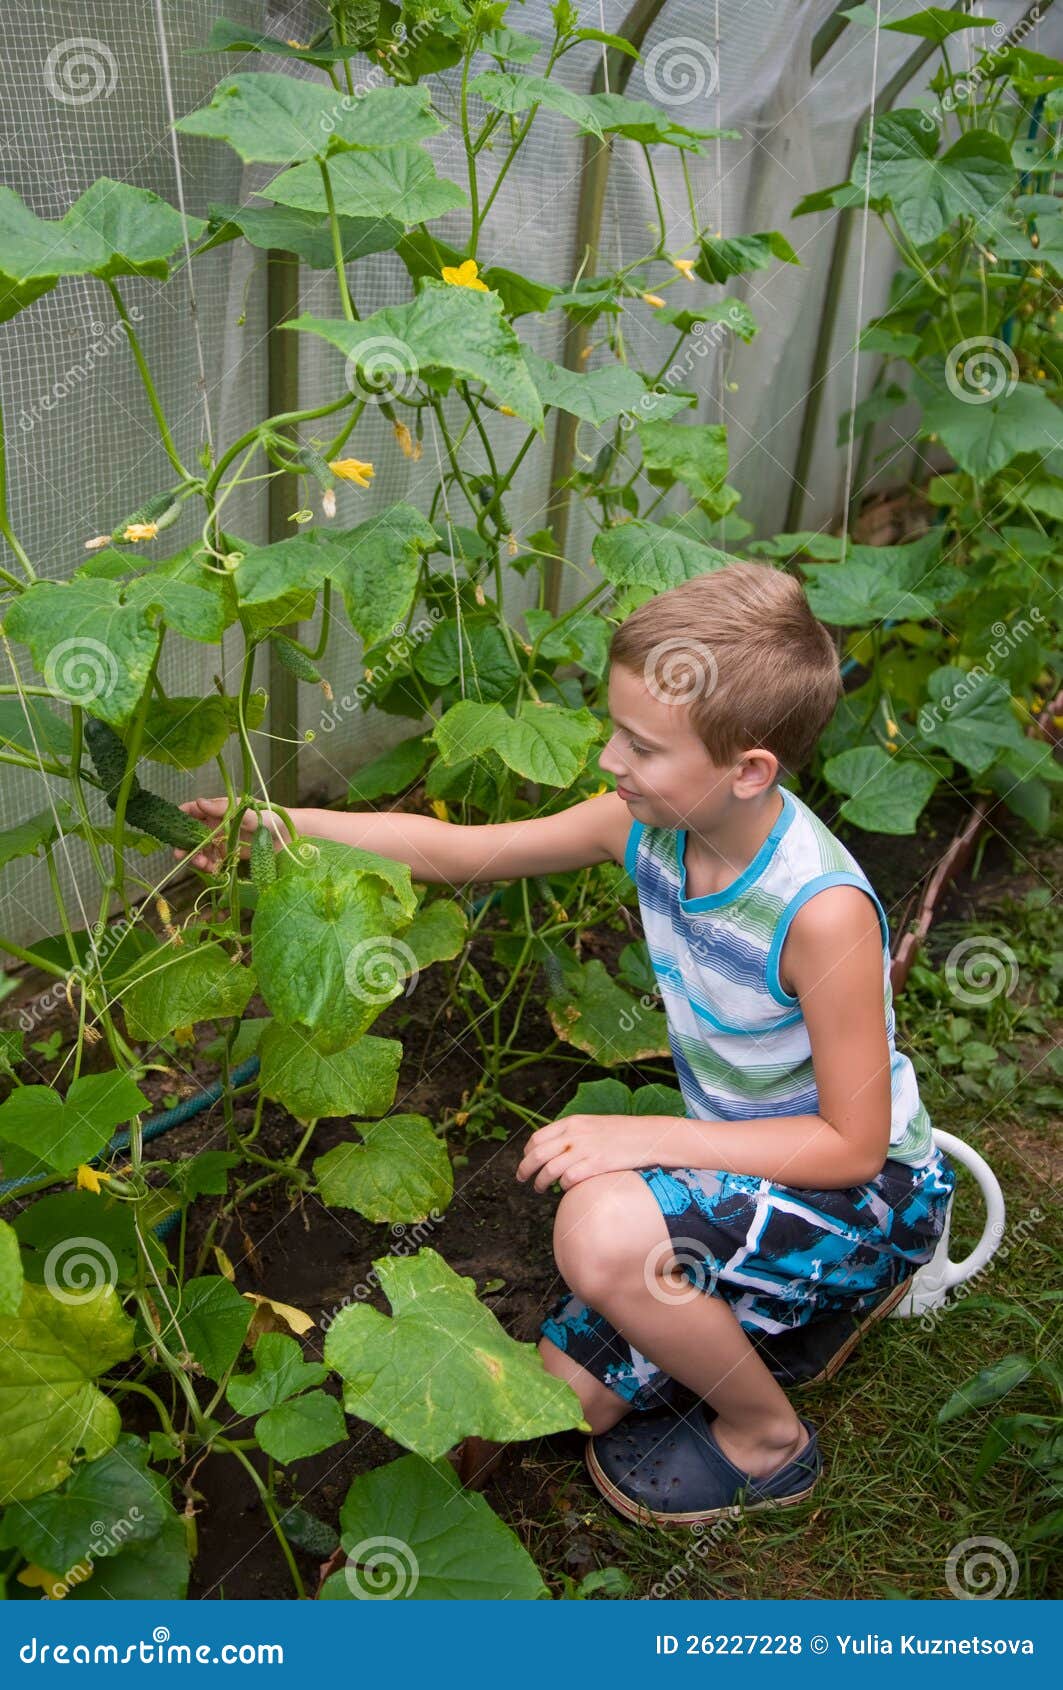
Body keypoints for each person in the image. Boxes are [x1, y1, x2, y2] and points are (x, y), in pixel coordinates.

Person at [178, 559, 955, 1527]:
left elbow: (851, 1145)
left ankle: (771, 1440)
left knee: (596, 1233)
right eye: (612, 731)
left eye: (639, 745)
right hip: (756, 1168)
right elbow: (459, 853)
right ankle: (782, 1311)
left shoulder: (820, 912)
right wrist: (286, 828)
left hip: (871, 1193)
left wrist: (646, 1137)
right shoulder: (647, 831)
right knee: (561, 1401)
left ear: (748, 769)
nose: (606, 762)